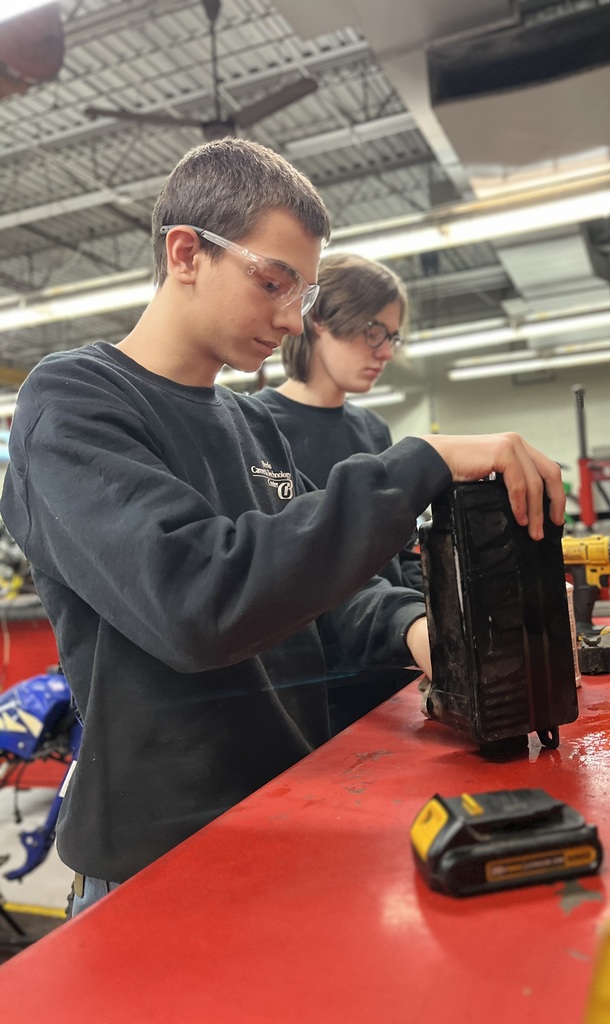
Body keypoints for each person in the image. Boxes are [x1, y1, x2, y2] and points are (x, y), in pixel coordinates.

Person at [0, 137, 564, 916]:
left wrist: (424, 632)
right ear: (187, 252)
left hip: (287, 816)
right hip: (158, 867)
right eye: (272, 282)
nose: (292, 318)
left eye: (303, 292)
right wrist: (418, 463)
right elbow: (198, 600)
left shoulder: (252, 428)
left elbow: (324, 592)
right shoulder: (74, 404)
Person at [255, 253, 422, 732]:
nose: (386, 351)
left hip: (394, 664)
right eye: (374, 331)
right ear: (319, 318)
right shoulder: (259, 428)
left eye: (392, 336)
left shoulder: (373, 430)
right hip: (317, 691)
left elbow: (399, 554)